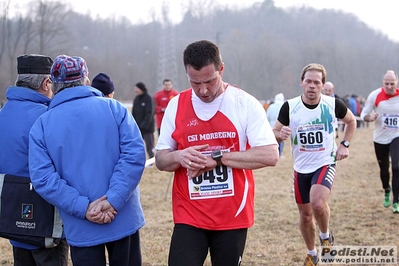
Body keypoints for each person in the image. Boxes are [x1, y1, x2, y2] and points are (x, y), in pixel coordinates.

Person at [155, 40, 279, 266]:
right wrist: (178, 156)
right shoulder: (176, 105)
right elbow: (161, 160)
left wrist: (219, 158)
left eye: (209, 81)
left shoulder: (244, 103)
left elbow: (270, 155)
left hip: (232, 214)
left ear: (221, 69)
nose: (203, 90)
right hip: (189, 214)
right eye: (195, 83)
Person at [28, 54, 146, 266]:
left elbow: (44, 178)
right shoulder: (114, 108)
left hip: (80, 223)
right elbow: (134, 155)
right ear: (86, 80)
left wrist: (83, 207)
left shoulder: (42, 125)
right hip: (122, 214)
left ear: (53, 85)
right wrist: (113, 200)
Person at [272, 63, 356, 266]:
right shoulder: (290, 107)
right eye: (308, 81)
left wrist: (344, 145)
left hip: (325, 162)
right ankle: (312, 253)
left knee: (317, 203)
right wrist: (279, 135)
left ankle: (325, 236)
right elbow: (274, 132)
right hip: (301, 167)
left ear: (323, 85)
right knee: (306, 215)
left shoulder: (332, 104)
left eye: (316, 82)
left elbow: (351, 121)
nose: (312, 86)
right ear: (301, 82)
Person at [0, 54, 69, 266]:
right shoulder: (48, 116)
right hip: (45, 221)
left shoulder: (3, 113)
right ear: (46, 82)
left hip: (12, 217)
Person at [360, 70, 399, 213]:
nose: (389, 86)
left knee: (396, 167)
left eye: (392, 83)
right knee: (384, 169)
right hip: (380, 138)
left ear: (397, 82)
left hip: (396, 136)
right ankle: (386, 189)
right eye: (387, 83)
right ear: (383, 82)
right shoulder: (375, 95)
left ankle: (396, 200)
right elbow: (363, 114)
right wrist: (369, 118)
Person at [132, 82, 155, 159]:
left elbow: (150, 113)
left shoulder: (148, 98)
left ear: (141, 89)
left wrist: (144, 125)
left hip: (147, 128)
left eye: (136, 88)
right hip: (138, 127)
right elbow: (134, 112)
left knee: (150, 145)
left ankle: (152, 159)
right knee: (138, 145)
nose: (135, 90)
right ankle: (140, 160)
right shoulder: (136, 99)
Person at [267, 92, 285, 157]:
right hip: (281, 126)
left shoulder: (271, 107)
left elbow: (267, 117)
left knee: (272, 141)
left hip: (272, 126)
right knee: (280, 140)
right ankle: (280, 153)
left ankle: (273, 153)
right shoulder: (283, 106)